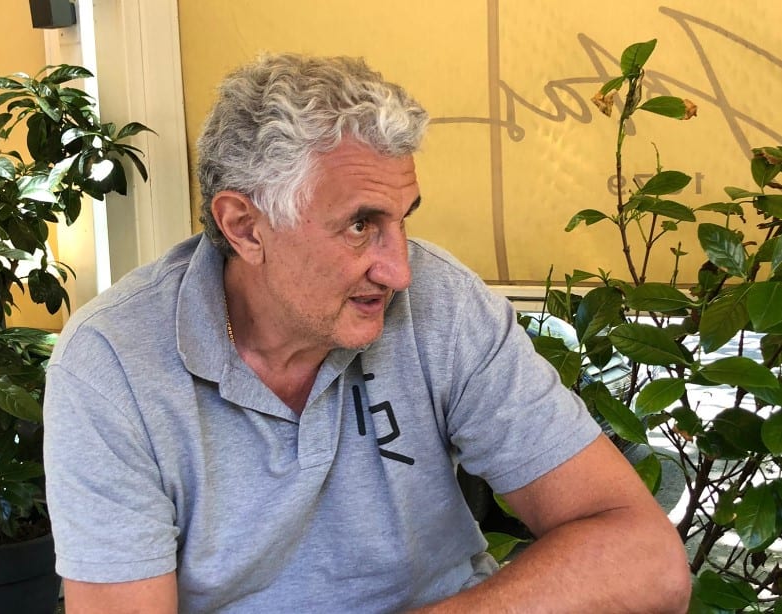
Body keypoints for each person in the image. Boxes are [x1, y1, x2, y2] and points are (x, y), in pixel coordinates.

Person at [43, 54, 691, 613]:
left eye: (402, 220)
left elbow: (647, 559)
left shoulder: (441, 302)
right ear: (244, 226)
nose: (398, 270)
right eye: (360, 225)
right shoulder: (113, 365)